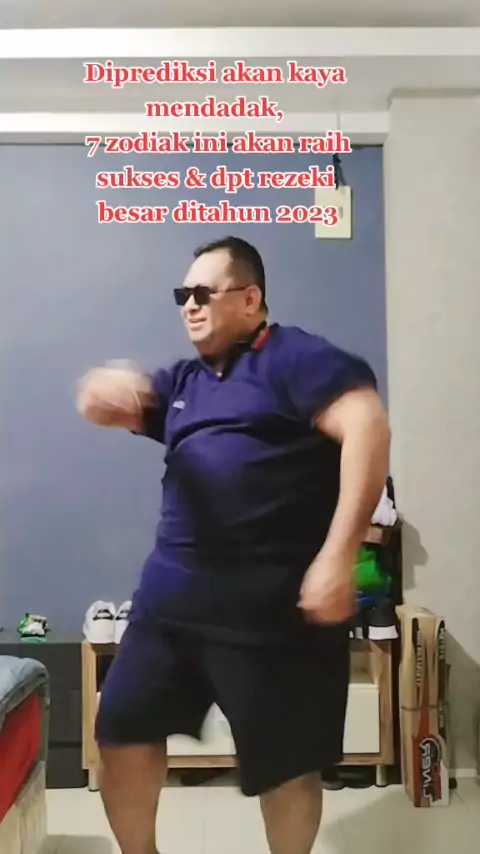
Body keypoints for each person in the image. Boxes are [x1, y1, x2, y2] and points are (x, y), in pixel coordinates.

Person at [76, 235, 391, 854]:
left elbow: (368, 426)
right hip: (171, 609)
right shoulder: (186, 381)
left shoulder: (297, 359)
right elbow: (115, 403)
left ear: (250, 300)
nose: (190, 305)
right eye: (183, 295)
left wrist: (339, 555)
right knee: (121, 730)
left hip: (273, 615)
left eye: (203, 292)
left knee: (287, 766)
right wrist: (102, 391)